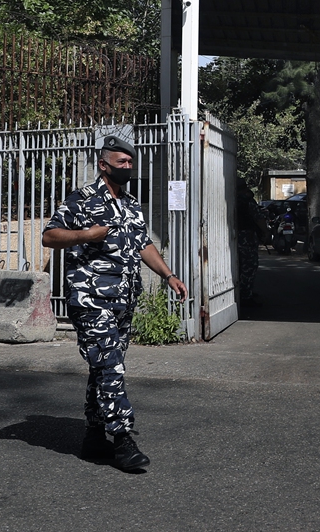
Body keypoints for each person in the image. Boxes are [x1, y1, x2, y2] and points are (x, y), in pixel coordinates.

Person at [42, 135, 189, 472]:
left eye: (131, 163)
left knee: (103, 366)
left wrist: (169, 275)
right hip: (89, 298)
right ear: (104, 164)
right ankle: (122, 439)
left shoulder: (131, 203)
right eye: (122, 162)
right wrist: (85, 235)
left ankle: (94, 434)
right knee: (111, 366)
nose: (129, 168)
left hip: (122, 299)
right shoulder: (82, 199)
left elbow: (143, 245)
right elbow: (49, 235)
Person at [235, 177, 262, 303]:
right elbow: (258, 218)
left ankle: (238, 293)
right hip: (247, 238)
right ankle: (245, 295)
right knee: (249, 267)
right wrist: (266, 232)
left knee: (237, 266)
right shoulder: (248, 202)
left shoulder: (231, 200)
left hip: (232, 238)